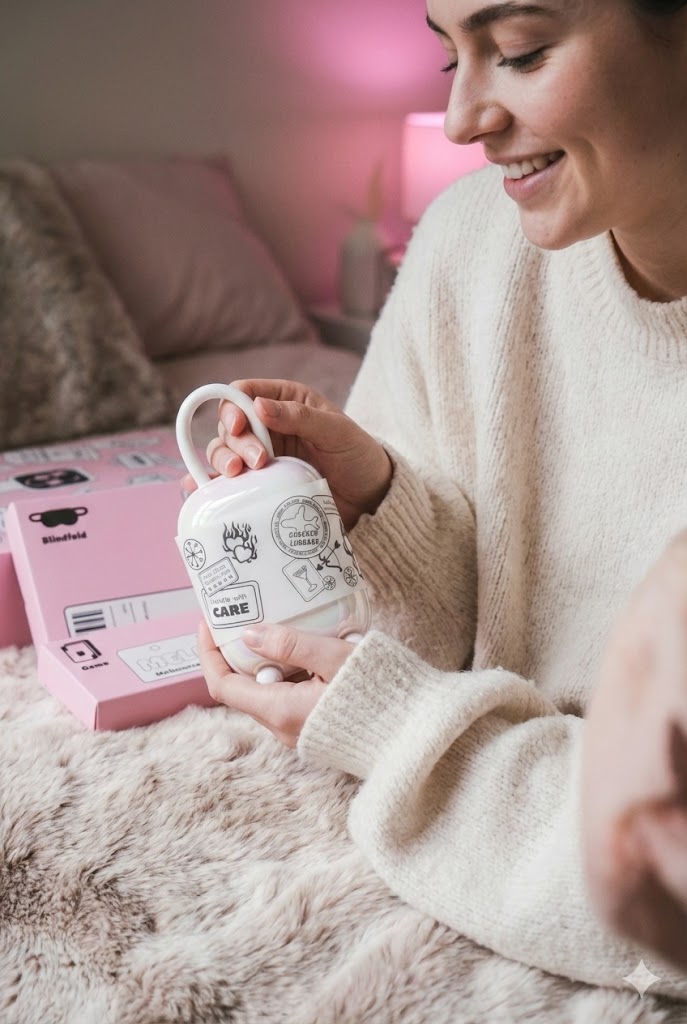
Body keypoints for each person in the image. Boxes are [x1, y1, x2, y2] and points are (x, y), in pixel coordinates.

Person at [190, 0, 687, 998]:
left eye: (519, 52)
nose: (462, 121)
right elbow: (466, 636)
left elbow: (664, 884)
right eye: (449, 57)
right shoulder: (468, 239)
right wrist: (377, 502)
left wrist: (396, 734)